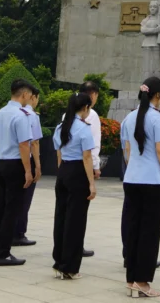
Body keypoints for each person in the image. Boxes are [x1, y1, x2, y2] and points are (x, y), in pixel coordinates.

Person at [122, 76, 160, 298]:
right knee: (149, 232)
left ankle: (132, 278)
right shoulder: (156, 119)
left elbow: (127, 151)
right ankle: (142, 282)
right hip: (152, 181)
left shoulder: (129, 117)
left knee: (133, 229)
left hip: (132, 179)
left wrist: (133, 166)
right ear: (157, 96)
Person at [0, 79, 35, 266]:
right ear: (23, 95)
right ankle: (3, 253)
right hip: (15, 164)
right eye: (29, 97)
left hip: (0, 163)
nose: (29, 100)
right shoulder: (21, 115)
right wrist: (28, 170)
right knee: (11, 210)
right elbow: (24, 144)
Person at [51, 92, 97, 280]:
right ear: (85, 108)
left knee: (61, 217)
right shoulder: (83, 128)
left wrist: (62, 172)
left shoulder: (61, 127)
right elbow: (87, 157)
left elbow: (59, 153)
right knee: (76, 221)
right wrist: (91, 184)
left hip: (63, 171)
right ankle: (70, 266)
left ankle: (59, 260)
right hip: (78, 172)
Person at [13, 88, 42, 247]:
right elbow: (34, 143)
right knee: (24, 200)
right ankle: (19, 232)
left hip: (9, 160)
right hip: (26, 159)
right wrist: (37, 166)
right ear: (33, 97)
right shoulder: (30, 116)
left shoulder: (7, 113)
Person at [78, 81, 102, 259]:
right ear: (92, 95)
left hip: (68, 166)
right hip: (83, 166)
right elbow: (92, 145)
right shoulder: (91, 115)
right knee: (79, 211)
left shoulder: (67, 115)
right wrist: (95, 166)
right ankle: (77, 244)